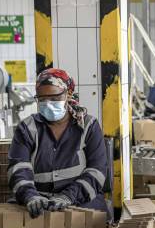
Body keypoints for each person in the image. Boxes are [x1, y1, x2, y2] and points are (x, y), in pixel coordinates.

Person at [8, 68, 108, 218]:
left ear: (68, 94)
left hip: (81, 200)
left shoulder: (88, 125)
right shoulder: (27, 128)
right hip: (39, 201)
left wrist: (68, 196)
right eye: (42, 99)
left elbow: (97, 171)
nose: (48, 104)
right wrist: (31, 196)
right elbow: (18, 168)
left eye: (54, 98)